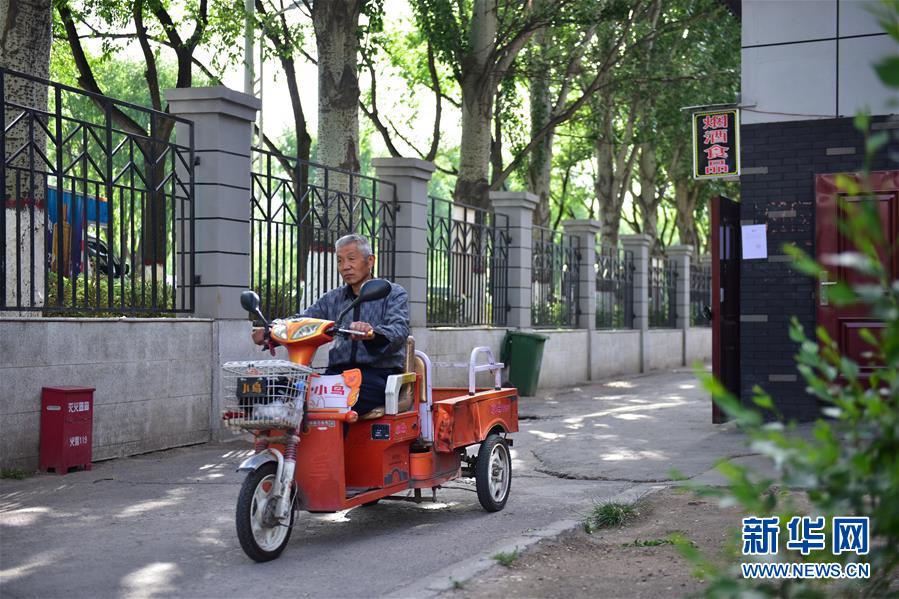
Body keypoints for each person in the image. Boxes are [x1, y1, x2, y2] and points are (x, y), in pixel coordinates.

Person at [252, 233, 410, 416]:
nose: (345, 267)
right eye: (340, 261)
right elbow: (303, 321)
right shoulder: (332, 299)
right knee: (274, 391)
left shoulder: (393, 293)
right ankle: (289, 443)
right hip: (336, 376)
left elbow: (399, 329)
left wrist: (372, 333)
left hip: (377, 376)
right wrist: (271, 330)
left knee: (331, 400)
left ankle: (330, 445)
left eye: (351, 259)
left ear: (370, 260)